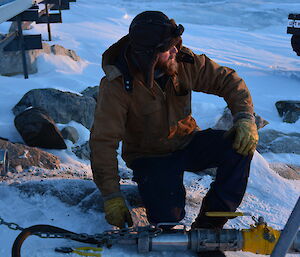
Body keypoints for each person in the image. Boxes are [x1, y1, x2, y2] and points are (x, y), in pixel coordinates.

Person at [90, 11, 258, 234]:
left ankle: (209, 226)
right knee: (168, 223)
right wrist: (111, 195)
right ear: (148, 54)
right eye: (167, 48)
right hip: (150, 157)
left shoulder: (182, 61)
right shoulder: (117, 86)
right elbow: (103, 142)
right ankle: (169, 219)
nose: (175, 50)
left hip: (187, 142)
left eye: (176, 44)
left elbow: (228, 80)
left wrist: (245, 117)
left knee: (239, 148)